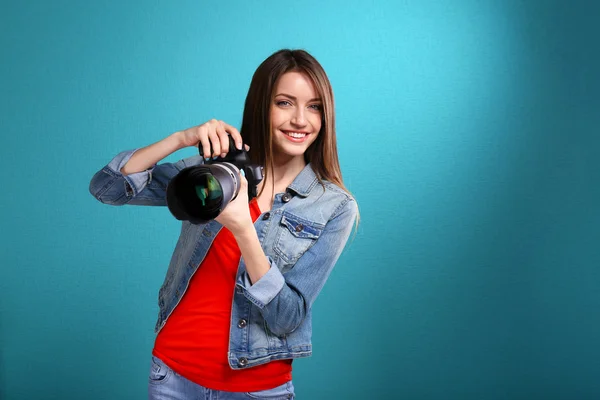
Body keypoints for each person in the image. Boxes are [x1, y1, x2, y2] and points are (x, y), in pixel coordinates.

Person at [89, 49, 359, 399]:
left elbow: (287, 318)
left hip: (255, 390)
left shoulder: (335, 206)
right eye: (284, 103)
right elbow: (107, 189)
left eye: (314, 106)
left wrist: (244, 230)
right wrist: (181, 138)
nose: (300, 120)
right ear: (261, 105)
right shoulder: (217, 171)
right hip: (172, 375)